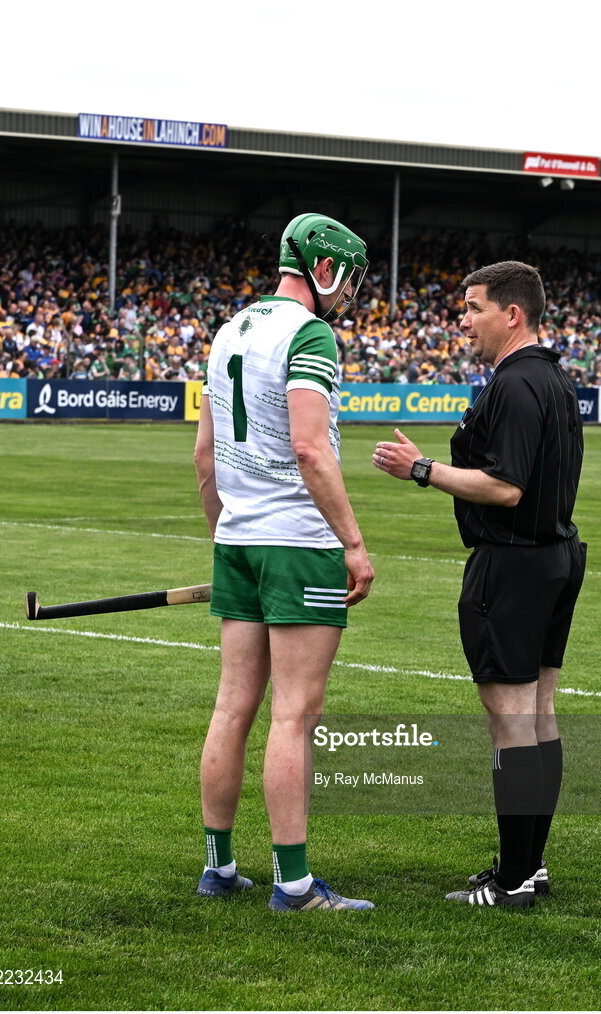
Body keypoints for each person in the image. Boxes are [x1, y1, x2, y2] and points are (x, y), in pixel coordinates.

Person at [374, 261, 586, 909]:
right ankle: (530, 866)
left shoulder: (518, 385)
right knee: (540, 716)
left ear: (511, 314)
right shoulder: (552, 379)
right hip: (555, 557)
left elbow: (505, 486)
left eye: (472, 309)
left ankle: (515, 878)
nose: (463, 321)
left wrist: (421, 469)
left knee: (511, 725)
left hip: (514, 564)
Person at [193, 212, 375, 912]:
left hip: (240, 537)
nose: (350, 293)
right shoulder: (310, 334)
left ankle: (218, 867)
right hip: (299, 543)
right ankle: (294, 885)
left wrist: (226, 533)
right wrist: (353, 543)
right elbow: (309, 447)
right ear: (322, 268)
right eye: (348, 277)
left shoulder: (227, 329)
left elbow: (205, 455)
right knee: (294, 714)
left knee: (232, 707)